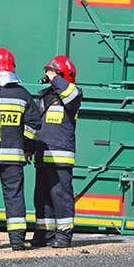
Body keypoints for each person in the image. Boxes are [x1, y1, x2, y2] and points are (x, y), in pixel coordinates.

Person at [0, 47, 42, 251]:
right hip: (14, 158)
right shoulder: (23, 95)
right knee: (15, 197)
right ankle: (17, 240)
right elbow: (34, 126)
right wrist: (27, 146)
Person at [32, 56, 82, 249]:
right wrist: (30, 148)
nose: (47, 75)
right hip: (42, 156)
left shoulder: (73, 94)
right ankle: (44, 233)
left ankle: (63, 234)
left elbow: (70, 94)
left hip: (60, 157)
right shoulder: (45, 96)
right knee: (41, 198)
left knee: (61, 198)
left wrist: (56, 79)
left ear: (62, 76)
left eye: (52, 72)